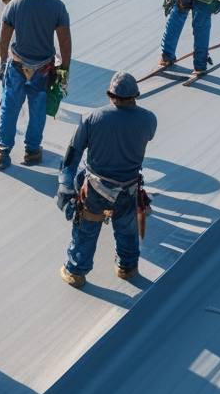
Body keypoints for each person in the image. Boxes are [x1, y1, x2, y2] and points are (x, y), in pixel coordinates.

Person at [57, 72, 157, 289]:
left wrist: (65, 185)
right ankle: (127, 267)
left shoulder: (93, 118)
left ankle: (76, 271)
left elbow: (73, 153)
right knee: (127, 229)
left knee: (86, 229)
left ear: (110, 94)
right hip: (128, 189)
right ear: (135, 95)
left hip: (95, 190)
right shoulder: (148, 119)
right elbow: (148, 136)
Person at [0, 0, 72, 170]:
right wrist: (64, 69)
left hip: (17, 66)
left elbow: (4, 36)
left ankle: (2, 151)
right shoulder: (58, 7)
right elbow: (65, 41)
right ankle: (32, 151)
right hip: (42, 70)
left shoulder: (17, 3)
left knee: (9, 108)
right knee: (37, 111)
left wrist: (1, 62)